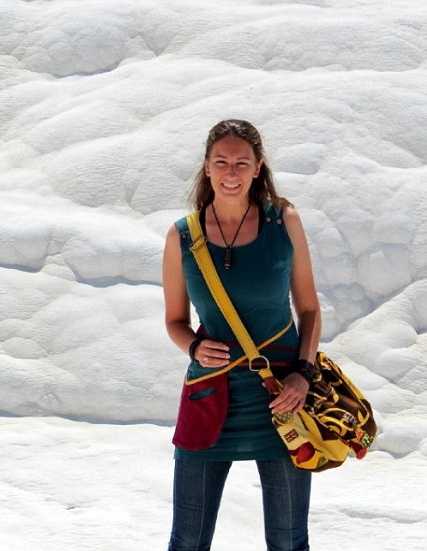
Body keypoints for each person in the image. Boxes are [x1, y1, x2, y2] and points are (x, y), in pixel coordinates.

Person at [161, 119, 321, 551]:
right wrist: (193, 345)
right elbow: (175, 321)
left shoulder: (283, 221)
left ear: (257, 168)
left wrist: (303, 374)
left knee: (289, 542)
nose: (231, 173)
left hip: (282, 398)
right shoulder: (182, 236)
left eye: (241, 163)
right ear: (207, 168)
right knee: (187, 541)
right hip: (209, 396)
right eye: (221, 162)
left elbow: (308, 308)